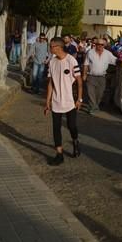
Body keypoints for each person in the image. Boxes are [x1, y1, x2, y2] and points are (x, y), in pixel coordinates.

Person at [45, 37, 83, 166]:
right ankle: (59, 154)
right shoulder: (51, 62)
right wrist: (47, 101)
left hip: (69, 102)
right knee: (56, 128)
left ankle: (75, 141)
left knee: (72, 126)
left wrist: (79, 99)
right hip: (56, 102)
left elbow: (79, 81)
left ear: (58, 47)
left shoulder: (71, 60)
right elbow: (50, 83)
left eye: (51, 46)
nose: (50, 49)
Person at [82, 38, 117, 114]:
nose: (100, 46)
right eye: (98, 44)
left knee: (100, 94)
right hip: (91, 76)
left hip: (102, 77)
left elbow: (115, 61)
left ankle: (95, 105)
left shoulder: (107, 53)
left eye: (102, 44)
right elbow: (86, 64)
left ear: (104, 45)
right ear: (95, 45)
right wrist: (84, 75)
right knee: (91, 93)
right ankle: (92, 108)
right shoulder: (90, 52)